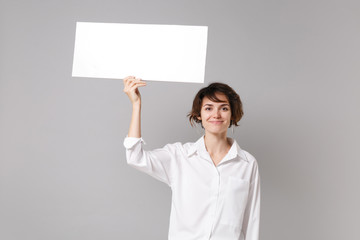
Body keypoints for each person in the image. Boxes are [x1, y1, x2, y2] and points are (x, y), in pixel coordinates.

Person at [123, 76, 260, 240]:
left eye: (223, 108)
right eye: (208, 108)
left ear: (232, 114)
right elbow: (135, 157)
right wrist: (136, 105)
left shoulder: (247, 163)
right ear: (199, 114)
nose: (216, 114)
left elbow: (251, 221)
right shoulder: (179, 156)